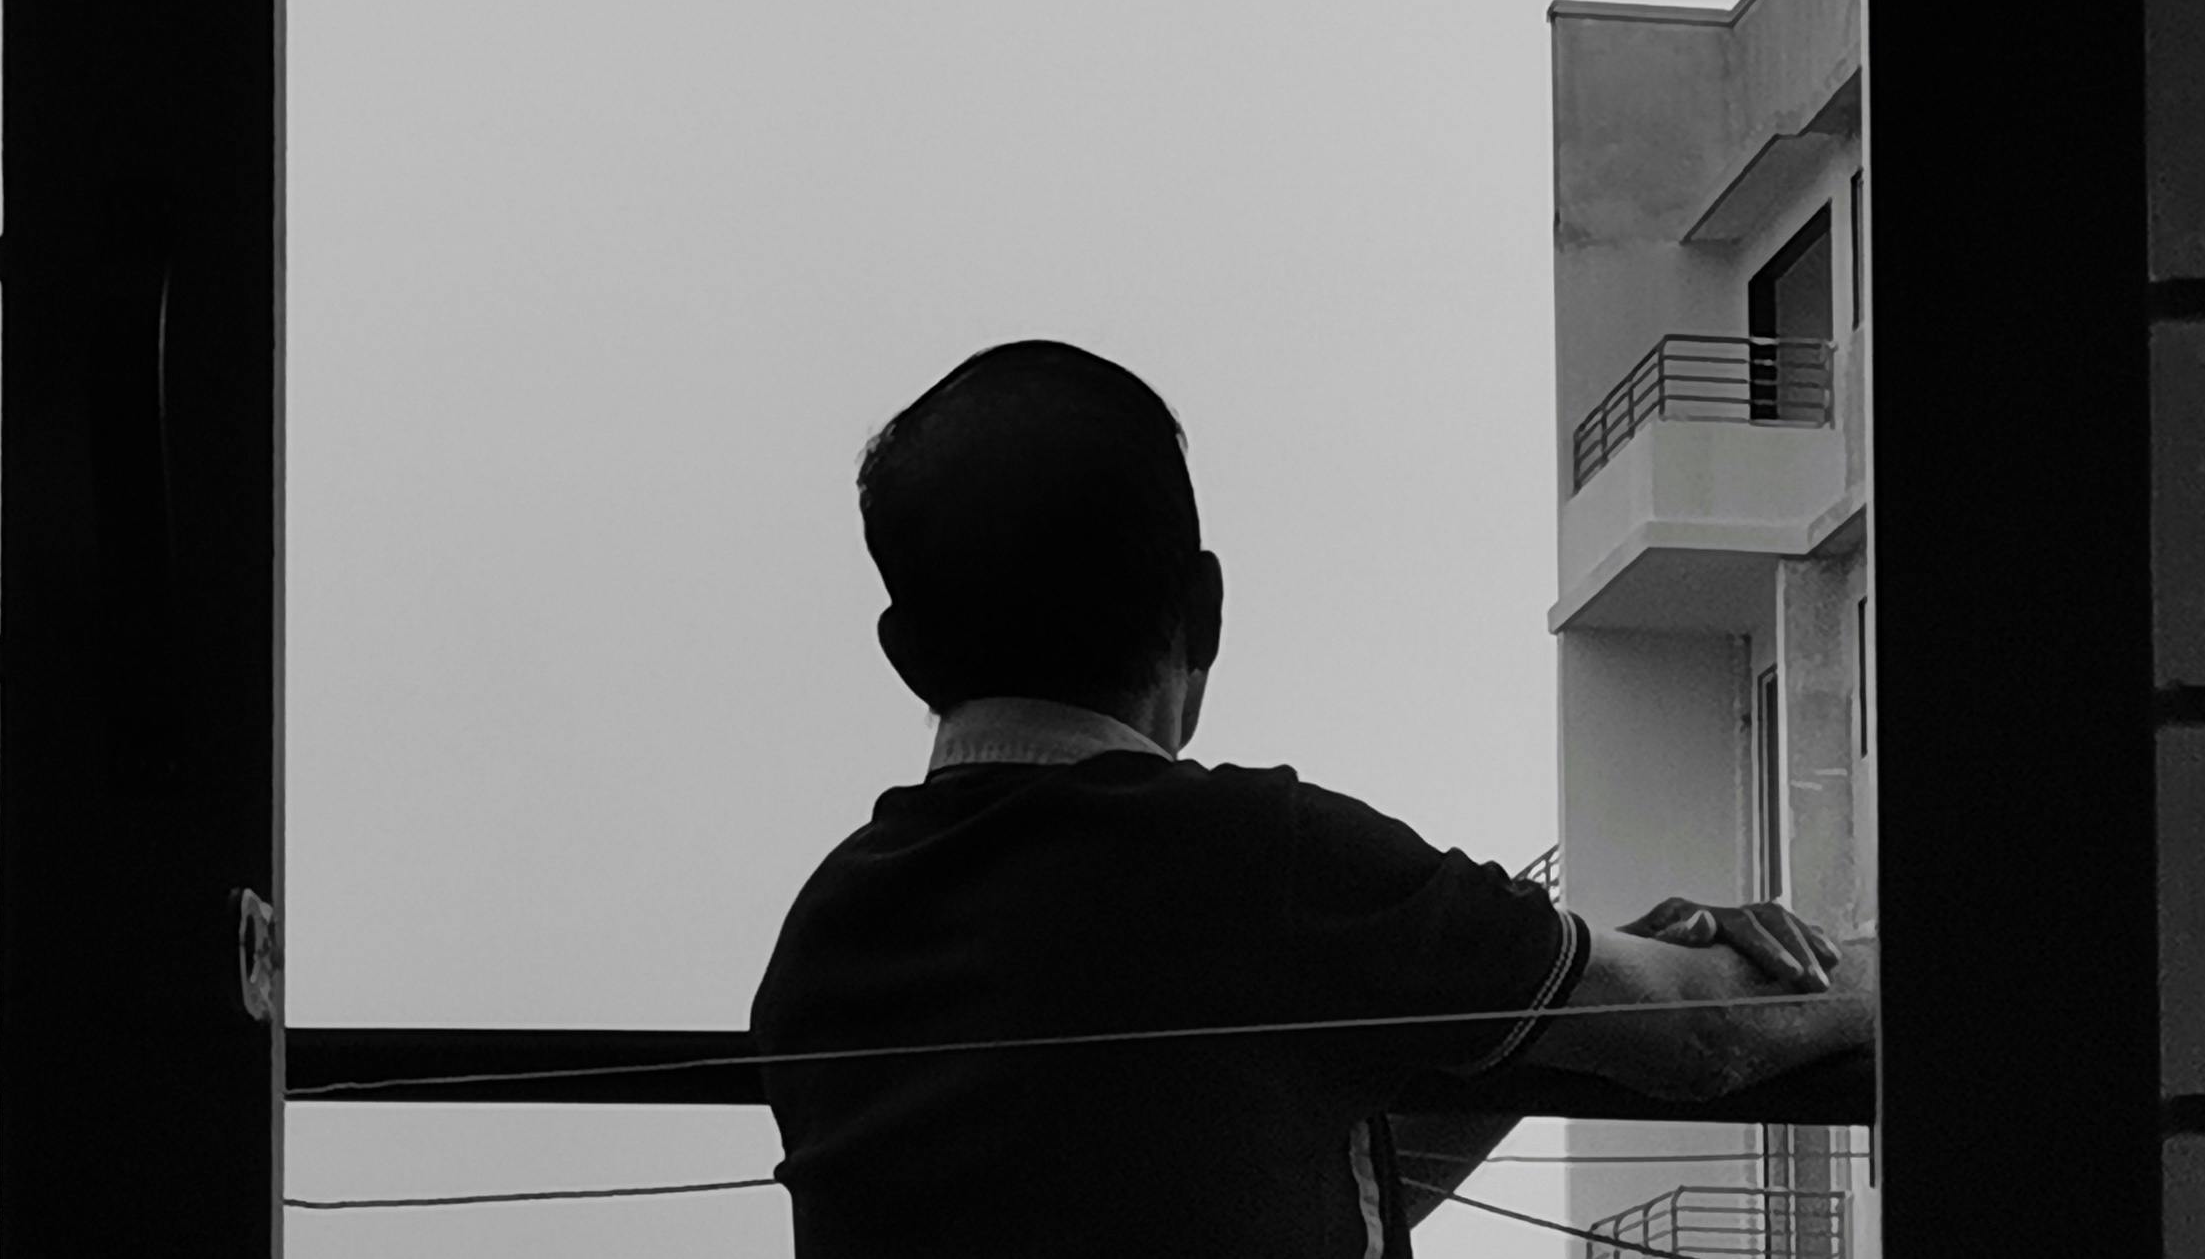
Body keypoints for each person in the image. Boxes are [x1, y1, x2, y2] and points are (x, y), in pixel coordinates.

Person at [750, 339, 1877, 1255]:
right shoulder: (1261, 862)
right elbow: (1710, 1037)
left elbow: (1242, 1171)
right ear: (1205, 609)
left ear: (904, 652)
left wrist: (1538, 1011)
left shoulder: (827, 935)